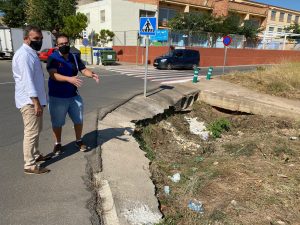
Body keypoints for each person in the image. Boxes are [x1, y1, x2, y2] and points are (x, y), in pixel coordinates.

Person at [47, 34, 99, 155]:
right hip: (57, 97)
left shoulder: (74, 57)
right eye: (61, 44)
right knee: (57, 122)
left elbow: (83, 69)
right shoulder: (53, 58)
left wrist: (92, 74)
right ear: (57, 45)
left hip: (73, 95)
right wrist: (69, 79)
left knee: (79, 119)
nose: (64, 46)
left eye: (66, 43)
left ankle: (78, 140)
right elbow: (53, 74)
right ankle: (58, 144)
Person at [12, 25, 51, 175]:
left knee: (37, 129)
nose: (39, 41)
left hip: (35, 100)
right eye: (36, 38)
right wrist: (35, 102)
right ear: (26, 39)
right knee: (31, 132)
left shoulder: (31, 53)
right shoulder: (24, 55)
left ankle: (35, 155)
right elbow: (28, 80)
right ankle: (29, 164)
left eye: (40, 38)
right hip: (29, 101)